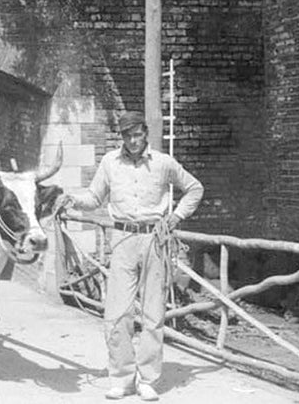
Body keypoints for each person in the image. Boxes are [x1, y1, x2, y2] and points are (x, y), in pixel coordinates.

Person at [57, 111, 204, 402]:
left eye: (137, 134)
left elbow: (194, 189)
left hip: (155, 240)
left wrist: (175, 218)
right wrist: (72, 198)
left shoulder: (163, 163)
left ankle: (148, 379)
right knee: (116, 314)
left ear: (145, 134)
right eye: (127, 135)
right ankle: (122, 378)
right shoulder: (110, 163)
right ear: (121, 136)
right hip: (122, 240)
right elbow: (94, 197)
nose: (133, 140)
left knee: (152, 315)